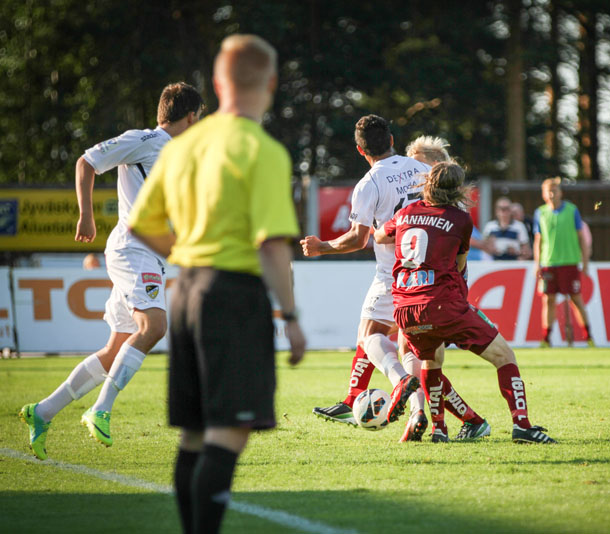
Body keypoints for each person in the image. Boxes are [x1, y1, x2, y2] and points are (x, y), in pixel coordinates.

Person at [128, 34, 306, 534]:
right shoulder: (262, 150)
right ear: (269, 84)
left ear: (219, 83)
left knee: (194, 434)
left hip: (184, 291)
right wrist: (290, 319)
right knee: (229, 432)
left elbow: (142, 223)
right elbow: (273, 245)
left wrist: (186, 254)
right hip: (232, 296)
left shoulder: (183, 146)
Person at [19, 82, 204, 460]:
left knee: (117, 346)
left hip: (148, 255)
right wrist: (86, 215)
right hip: (132, 249)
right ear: (190, 116)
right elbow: (86, 162)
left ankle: (42, 412)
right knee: (153, 327)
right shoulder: (146, 140)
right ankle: (100, 409)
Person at [375, 161, 556, 444]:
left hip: (405, 309)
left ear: (427, 184)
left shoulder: (406, 212)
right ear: (458, 190)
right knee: (504, 356)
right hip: (442, 304)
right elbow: (459, 265)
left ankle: (439, 429)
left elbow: (378, 235)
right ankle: (522, 426)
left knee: (430, 363)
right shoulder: (461, 219)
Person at [302, 120, 439, 442]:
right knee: (410, 342)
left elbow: (358, 239)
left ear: (360, 150)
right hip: (433, 269)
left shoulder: (369, 183)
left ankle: (399, 381)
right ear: (392, 140)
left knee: (369, 336)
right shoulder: (421, 167)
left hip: (396, 273)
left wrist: (322, 247)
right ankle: (418, 413)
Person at [533, 177, 594, 347]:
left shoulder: (572, 210)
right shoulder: (540, 213)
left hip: (569, 262)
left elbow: (582, 238)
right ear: (544, 194)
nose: (552, 194)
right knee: (548, 300)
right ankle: (546, 339)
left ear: (561, 192)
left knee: (576, 299)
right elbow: (538, 241)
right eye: (549, 191)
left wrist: (585, 262)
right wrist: (536, 264)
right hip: (548, 264)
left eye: (555, 191)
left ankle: (588, 336)